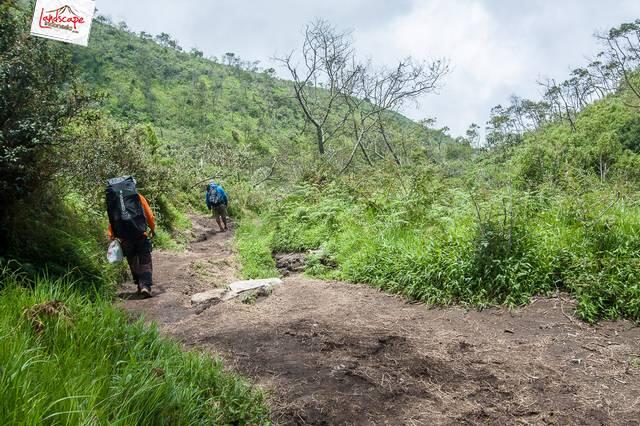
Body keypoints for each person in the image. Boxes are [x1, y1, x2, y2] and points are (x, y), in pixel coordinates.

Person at [106, 177, 156, 298]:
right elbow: (149, 215)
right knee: (145, 260)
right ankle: (145, 285)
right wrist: (153, 229)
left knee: (132, 260)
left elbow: (112, 218)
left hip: (124, 237)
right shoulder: (138, 197)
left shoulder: (114, 199)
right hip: (140, 234)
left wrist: (112, 235)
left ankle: (139, 284)